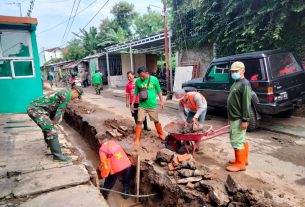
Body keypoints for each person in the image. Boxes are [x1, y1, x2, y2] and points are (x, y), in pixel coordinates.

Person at [27, 86, 83, 162]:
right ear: (75, 92)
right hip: (36, 110)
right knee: (51, 130)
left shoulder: (64, 93)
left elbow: (55, 110)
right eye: (77, 96)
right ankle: (57, 156)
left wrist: (52, 122)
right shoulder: (66, 95)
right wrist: (55, 124)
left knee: (48, 127)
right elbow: (60, 111)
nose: (75, 98)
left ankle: (51, 146)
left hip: (40, 110)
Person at [226, 61, 252, 172]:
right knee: (240, 139)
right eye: (232, 71)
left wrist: (245, 120)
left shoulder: (244, 84)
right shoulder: (236, 82)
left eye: (236, 71)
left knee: (236, 140)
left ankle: (240, 164)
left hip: (239, 117)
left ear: (243, 70)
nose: (234, 73)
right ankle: (242, 159)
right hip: (233, 116)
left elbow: (246, 103)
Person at [131, 66, 165, 145]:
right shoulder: (138, 81)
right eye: (140, 76)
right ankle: (137, 139)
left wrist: (162, 101)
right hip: (142, 105)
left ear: (147, 73)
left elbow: (159, 91)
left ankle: (161, 134)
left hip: (152, 105)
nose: (141, 78)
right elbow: (135, 92)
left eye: (142, 76)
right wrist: (132, 103)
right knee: (139, 121)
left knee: (156, 121)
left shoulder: (154, 79)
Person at [98, 134, 132, 200]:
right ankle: (126, 193)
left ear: (99, 141)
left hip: (117, 168)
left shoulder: (102, 149)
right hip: (127, 165)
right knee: (126, 181)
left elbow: (105, 165)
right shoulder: (113, 142)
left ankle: (105, 194)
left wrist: (101, 172)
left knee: (109, 181)